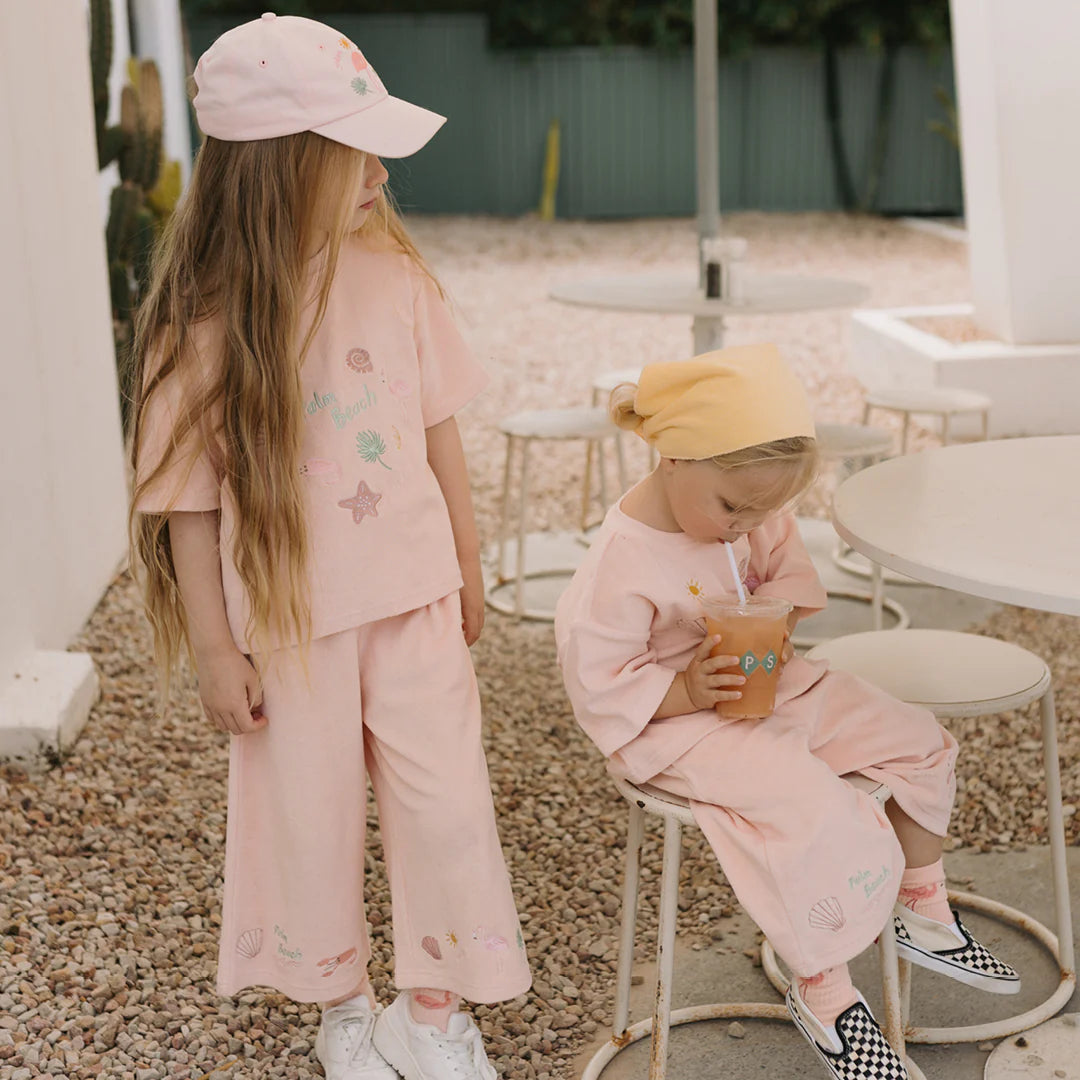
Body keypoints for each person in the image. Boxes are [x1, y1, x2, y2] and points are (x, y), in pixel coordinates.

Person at [127, 15, 530, 1080]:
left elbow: (441, 434)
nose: (380, 173)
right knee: (307, 823)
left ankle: (432, 1010)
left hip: (414, 604)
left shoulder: (395, 277)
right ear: (280, 166)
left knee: (446, 809)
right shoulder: (199, 322)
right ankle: (341, 1004)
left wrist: (470, 565)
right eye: (356, 151)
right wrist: (216, 649)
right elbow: (190, 508)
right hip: (292, 631)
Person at [554, 346, 1018, 1080]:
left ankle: (919, 904)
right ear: (674, 458)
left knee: (918, 740)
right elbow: (602, 687)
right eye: (734, 508)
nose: (745, 527)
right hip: (674, 725)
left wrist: (779, 625)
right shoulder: (619, 566)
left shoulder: (751, 508)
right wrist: (690, 691)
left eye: (763, 510)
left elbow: (787, 579)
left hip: (770, 684)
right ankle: (825, 990)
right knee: (806, 803)